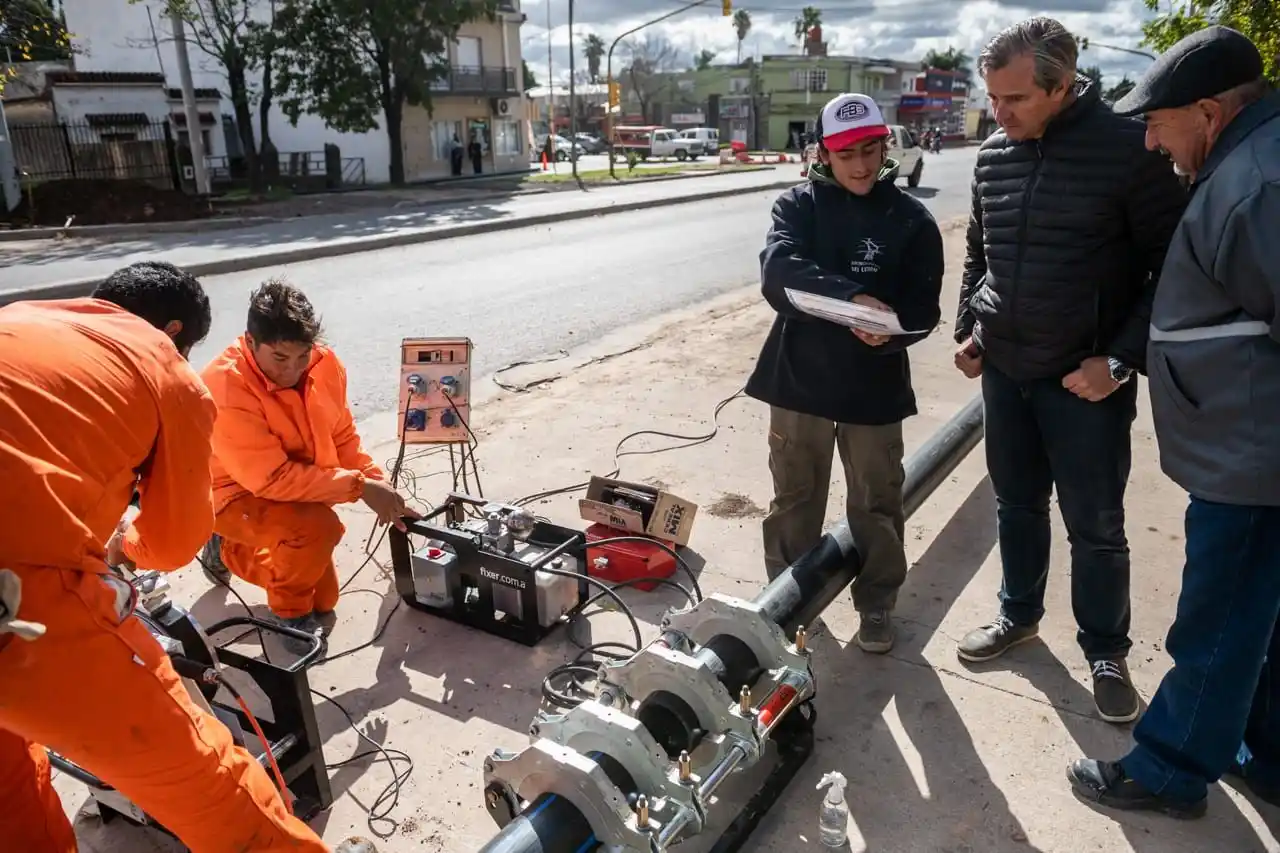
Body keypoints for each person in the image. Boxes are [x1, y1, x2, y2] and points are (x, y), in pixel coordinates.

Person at [0, 261, 333, 852]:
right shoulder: (165, 368)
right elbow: (177, 541)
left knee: (9, 789)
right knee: (219, 792)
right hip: (20, 593)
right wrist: (121, 549)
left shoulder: (25, 319)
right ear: (174, 333)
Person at [1068, 26, 1280, 818]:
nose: (1150, 141)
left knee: (1218, 618)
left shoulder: (1257, 183)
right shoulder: (1247, 165)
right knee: (1259, 616)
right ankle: (1262, 751)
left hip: (1253, 459)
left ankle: (1169, 765)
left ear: (1207, 111)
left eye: (1155, 123)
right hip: (1245, 446)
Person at [952, 17, 1188, 724]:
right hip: (1007, 373)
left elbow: (1173, 267)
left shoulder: (1129, 149)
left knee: (1095, 523)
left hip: (1084, 383)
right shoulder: (993, 156)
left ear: (1061, 85)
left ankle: (1107, 649)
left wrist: (1118, 360)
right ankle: (1017, 613)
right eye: (992, 98)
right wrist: (973, 328)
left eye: (1015, 99)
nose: (999, 114)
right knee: (1015, 505)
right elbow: (979, 253)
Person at [746, 93, 945, 653]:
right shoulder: (797, 207)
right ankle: (786, 600)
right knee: (794, 498)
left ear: (886, 147)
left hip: (875, 387)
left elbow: (924, 308)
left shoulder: (910, 219)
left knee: (877, 502)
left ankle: (877, 602)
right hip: (799, 382)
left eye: (870, 149)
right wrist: (853, 297)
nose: (860, 164)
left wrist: (892, 330)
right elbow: (778, 274)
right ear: (822, 153)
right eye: (846, 152)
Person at [201, 280, 417, 650]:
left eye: (302, 356)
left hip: (299, 485)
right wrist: (360, 488)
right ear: (251, 343)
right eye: (280, 359)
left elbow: (343, 437)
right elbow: (272, 479)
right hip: (236, 493)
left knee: (325, 599)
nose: (294, 370)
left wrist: (381, 488)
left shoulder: (325, 364)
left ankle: (246, 553)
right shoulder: (224, 385)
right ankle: (280, 607)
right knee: (317, 529)